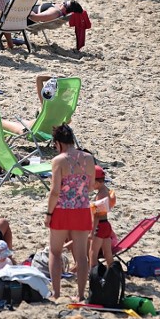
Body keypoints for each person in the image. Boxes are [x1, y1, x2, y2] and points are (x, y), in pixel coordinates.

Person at [45, 124, 96, 301]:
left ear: (58, 143)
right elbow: (90, 187)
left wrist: (48, 214)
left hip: (61, 210)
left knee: (55, 252)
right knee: (81, 256)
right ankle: (81, 295)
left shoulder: (58, 161)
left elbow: (55, 191)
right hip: (81, 210)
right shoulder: (89, 159)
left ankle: (57, 293)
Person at [89, 165, 117, 267]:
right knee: (107, 253)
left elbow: (97, 215)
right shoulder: (107, 191)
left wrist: (92, 232)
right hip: (106, 226)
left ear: (97, 182)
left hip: (99, 226)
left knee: (93, 253)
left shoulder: (100, 195)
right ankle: (112, 270)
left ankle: (93, 275)